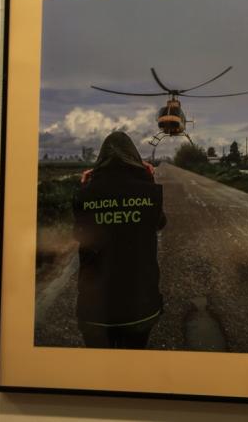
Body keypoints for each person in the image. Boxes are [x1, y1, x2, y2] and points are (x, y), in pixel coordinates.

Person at [72, 131, 166, 349]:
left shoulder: (85, 194)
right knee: (132, 370)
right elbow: (158, 223)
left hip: (94, 310)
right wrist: (148, 180)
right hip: (140, 306)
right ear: (133, 156)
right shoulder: (149, 192)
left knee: (97, 373)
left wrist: (85, 189)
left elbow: (79, 234)